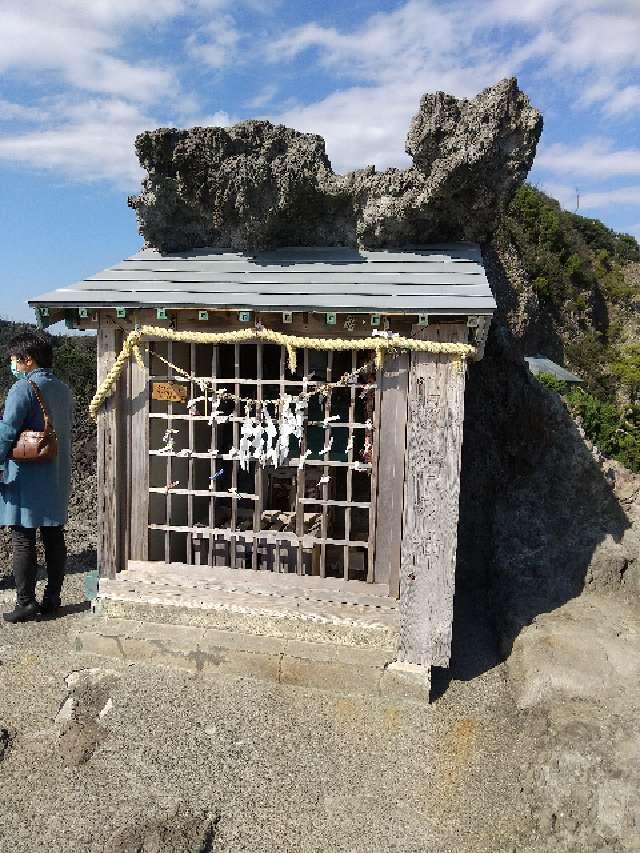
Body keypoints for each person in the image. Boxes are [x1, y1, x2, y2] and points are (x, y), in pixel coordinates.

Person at [0, 331, 73, 623]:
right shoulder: (62, 388)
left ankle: (26, 602)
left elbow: (7, 431)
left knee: (23, 538)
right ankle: (53, 598)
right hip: (56, 474)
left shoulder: (23, 388)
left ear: (27, 359)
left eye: (14, 360)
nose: (12, 366)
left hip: (27, 477)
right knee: (54, 537)